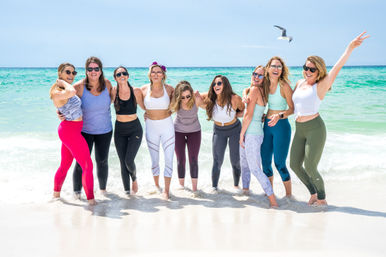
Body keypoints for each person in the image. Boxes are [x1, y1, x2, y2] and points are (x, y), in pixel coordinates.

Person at [290, 32, 369, 206]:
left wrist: (349, 48)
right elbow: (290, 105)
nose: (307, 71)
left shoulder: (322, 85)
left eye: (312, 69)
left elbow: (338, 66)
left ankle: (322, 198)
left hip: (315, 129)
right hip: (299, 129)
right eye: (306, 67)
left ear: (319, 71)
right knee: (294, 165)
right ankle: (313, 193)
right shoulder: (298, 83)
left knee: (310, 167)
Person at [50, 63, 96, 205]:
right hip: (69, 131)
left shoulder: (65, 89)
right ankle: (91, 201)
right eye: (67, 72)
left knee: (65, 164)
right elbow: (71, 93)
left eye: (73, 73)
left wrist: (59, 112)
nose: (71, 75)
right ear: (60, 74)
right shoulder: (57, 91)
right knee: (87, 165)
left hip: (72, 130)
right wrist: (62, 82)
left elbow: (69, 102)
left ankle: (55, 196)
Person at [72, 57, 113, 198]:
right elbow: (63, 101)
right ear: (86, 71)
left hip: (105, 131)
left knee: (102, 161)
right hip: (84, 132)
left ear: (101, 71)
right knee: (81, 163)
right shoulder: (79, 87)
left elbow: (117, 101)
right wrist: (59, 112)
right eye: (90, 69)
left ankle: (103, 192)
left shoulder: (107, 84)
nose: (93, 71)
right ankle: (77, 194)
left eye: (96, 69)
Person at [197, 75, 244, 192]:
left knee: (235, 160)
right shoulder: (210, 99)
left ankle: (236, 186)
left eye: (219, 83)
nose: (216, 86)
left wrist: (235, 114)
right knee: (217, 160)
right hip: (219, 131)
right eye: (214, 84)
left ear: (225, 85)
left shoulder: (234, 98)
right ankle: (214, 188)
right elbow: (196, 96)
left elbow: (243, 109)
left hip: (235, 130)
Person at [239, 66, 278, 207]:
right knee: (245, 165)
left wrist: (241, 134)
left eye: (260, 75)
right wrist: (244, 93)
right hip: (256, 133)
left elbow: (248, 116)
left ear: (264, 79)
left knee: (255, 169)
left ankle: (273, 200)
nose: (256, 77)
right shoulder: (259, 91)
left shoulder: (255, 90)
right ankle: (245, 191)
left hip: (251, 134)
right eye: (254, 74)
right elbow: (247, 90)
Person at [136, 62, 175, 200]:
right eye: (153, 72)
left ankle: (167, 191)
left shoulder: (170, 89)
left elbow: (177, 104)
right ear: (149, 75)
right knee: (154, 160)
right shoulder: (143, 89)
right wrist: (146, 112)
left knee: (169, 159)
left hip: (167, 127)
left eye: (159, 72)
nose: (156, 74)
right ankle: (157, 186)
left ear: (163, 75)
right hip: (151, 127)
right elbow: (139, 103)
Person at [260, 56, 294, 197]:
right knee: (265, 163)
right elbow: (250, 90)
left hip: (281, 126)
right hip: (267, 126)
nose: (276, 69)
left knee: (279, 163)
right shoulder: (265, 85)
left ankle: (289, 196)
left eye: (279, 67)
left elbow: (292, 109)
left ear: (282, 70)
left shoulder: (284, 86)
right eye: (273, 66)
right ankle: (270, 193)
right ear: (267, 68)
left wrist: (279, 115)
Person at [112, 66, 143, 196]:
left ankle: (134, 179)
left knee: (128, 160)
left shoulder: (135, 91)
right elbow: (100, 105)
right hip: (119, 130)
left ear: (128, 76)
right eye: (118, 74)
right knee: (122, 162)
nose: (122, 76)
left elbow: (145, 106)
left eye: (124, 73)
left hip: (135, 129)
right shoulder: (113, 91)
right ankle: (127, 193)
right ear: (115, 78)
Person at [170, 81, 204, 194]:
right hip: (178, 131)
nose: (185, 99)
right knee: (181, 159)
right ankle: (181, 188)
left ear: (192, 94)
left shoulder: (197, 100)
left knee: (193, 159)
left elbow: (210, 107)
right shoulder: (176, 102)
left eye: (188, 96)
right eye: (182, 97)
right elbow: (165, 112)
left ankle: (195, 190)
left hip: (194, 131)